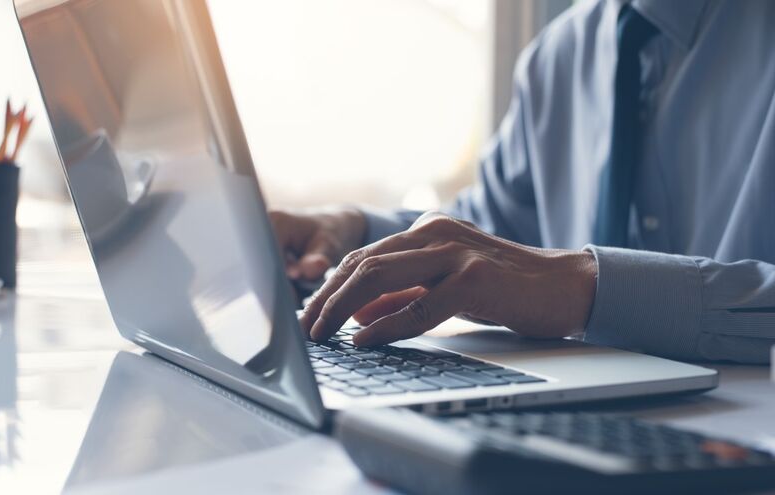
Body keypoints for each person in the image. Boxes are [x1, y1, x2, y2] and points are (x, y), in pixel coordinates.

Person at [270, 0, 775, 364]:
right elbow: (493, 239)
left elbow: (532, 270)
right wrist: (355, 232)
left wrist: (589, 289)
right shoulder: (560, 54)